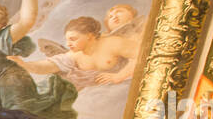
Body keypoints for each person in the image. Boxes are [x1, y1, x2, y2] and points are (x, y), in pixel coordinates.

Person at [10, 15, 140, 88]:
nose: (68, 44)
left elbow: (141, 56)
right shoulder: (74, 55)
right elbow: (46, 66)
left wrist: (120, 76)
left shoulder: (113, 43)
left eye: (73, 39)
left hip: (121, 87)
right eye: (67, 40)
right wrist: (25, 65)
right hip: (92, 94)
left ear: (89, 36)